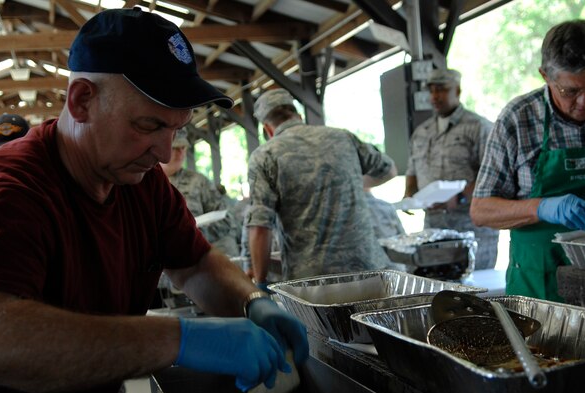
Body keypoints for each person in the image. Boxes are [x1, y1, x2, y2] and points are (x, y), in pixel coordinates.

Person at [0, 9, 308, 393]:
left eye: (176, 129)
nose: (163, 152)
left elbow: (193, 262)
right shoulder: (9, 192)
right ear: (82, 100)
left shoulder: (142, 184)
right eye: (149, 125)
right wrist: (180, 339)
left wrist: (252, 302)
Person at [471, 19, 585, 302]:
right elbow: (481, 210)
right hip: (541, 286)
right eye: (570, 91)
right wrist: (541, 208)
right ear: (545, 76)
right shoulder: (517, 120)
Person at [247, 88, 397, 288]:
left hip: (314, 283)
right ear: (298, 116)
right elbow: (389, 170)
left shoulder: (265, 156)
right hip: (369, 271)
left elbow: (260, 227)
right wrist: (351, 183)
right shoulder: (343, 137)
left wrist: (260, 282)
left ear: (268, 129)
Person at [404, 68, 498, 270]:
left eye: (442, 90)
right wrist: (408, 196)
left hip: (472, 231)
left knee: (477, 293)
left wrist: (461, 197)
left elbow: (492, 177)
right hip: (434, 229)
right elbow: (412, 170)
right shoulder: (422, 132)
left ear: (458, 91)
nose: (435, 96)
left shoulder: (479, 127)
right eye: (431, 91)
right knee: (439, 292)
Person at [161, 129, 241, 257]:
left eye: (184, 147)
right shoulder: (143, 183)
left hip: (194, 259)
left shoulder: (198, 182)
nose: (181, 152)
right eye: (175, 147)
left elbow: (226, 220)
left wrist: (194, 235)